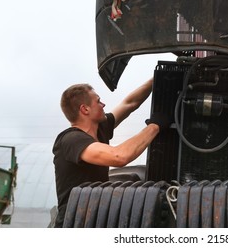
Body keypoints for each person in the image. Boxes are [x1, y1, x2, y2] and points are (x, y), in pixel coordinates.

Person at [52, 78, 169, 228]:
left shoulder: (100, 129)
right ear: (85, 109)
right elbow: (119, 156)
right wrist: (154, 126)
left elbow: (130, 103)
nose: (103, 104)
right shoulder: (71, 139)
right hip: (74, 222)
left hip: (96, 217)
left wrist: (156, 79)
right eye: (98, 101)